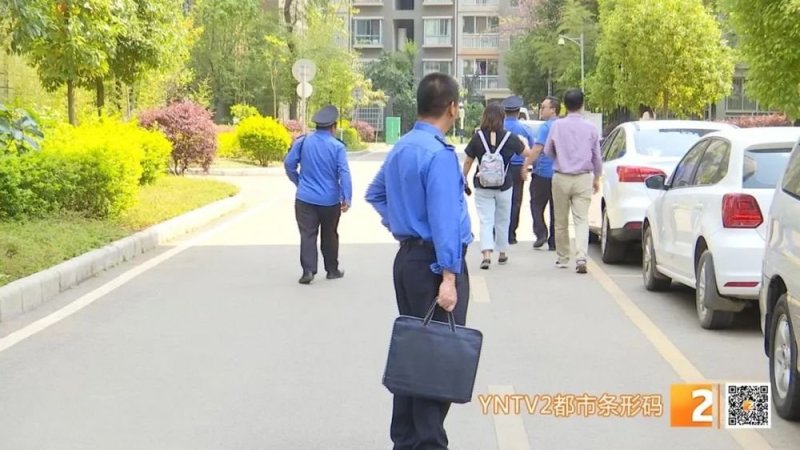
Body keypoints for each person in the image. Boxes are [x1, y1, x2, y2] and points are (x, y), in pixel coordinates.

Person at [365, 72, 472, 450]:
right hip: (433, 265)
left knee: (414, 354)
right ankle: (427, 443)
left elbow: (374, 193)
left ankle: (405, 440)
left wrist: (401, 225)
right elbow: (444, 221)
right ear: (452, 108)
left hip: (408, 260)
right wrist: (449, 276)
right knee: (435, 361)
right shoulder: (440, 155)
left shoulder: (403, 147)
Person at [284, 105, 352, 284]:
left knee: (307, 234)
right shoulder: (337, 147)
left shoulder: (303, 141)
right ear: (333, 127)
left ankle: (308, 271)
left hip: (304, 199)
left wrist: (298, 182)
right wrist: (347, 197)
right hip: (330, 201)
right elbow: (343, 172)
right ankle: (332, 270)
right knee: (330, 234)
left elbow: (289, 164)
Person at [462, 103, 528, 269]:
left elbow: (469, 160)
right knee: (502, 219)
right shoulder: (510, 137)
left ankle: (486, 254)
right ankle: (503, 252)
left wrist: (463, 178)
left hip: (482, 185)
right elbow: (527, 153)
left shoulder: (478, 137)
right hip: (504, 185)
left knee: (485, 220)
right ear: (502, 118)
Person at [542, 89, 602, 274]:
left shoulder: (557, 126)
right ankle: (581, 256)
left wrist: (559, 159)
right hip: (583, 177)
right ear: (582, 105)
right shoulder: (591, 128)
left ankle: (563, 257)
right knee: (581, 219)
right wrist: (597, 177)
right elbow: (596, 157)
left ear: (565, 107)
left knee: (560, 220)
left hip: (560, 176)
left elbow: (547, 150)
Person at [524, 96, 560, 251]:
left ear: (553, 109)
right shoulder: (562, 125)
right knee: (556, 208)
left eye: (544, 107)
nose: (541, 110)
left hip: (543, 173)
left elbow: (538, 149)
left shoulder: (546, 127)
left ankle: (541, 232)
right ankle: (554, 241)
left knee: (536, 205)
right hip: (559, 173)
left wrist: (526, 165)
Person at [501, 95, 535, 244]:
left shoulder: (498, 127)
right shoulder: (524, 129)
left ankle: (499, 231)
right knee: (515, 201)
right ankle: (511, 234)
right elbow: (532, 149)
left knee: (500, 200)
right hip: (518, 168)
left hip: (501, 168)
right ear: (518, 111)